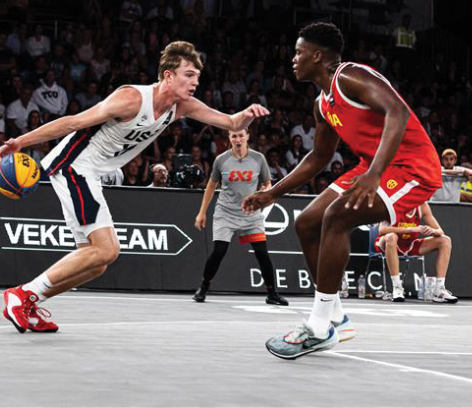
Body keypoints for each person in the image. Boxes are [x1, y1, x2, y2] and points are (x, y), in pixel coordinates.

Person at [0, 41, 269, 333]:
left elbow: (230, 121)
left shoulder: (181, 107)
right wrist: (20, 142)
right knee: (108, 250)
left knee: (96, 263)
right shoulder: (131, 99)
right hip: (73, 167)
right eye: (189, 75)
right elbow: (73, 122)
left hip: (90, 174)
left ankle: (29, 302)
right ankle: (21, 295)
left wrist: (248, 114)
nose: (195, 82)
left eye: (197, 77)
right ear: (168, 76)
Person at [242, 22, 442, 360]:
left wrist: (375, 173)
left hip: (411, 167)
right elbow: (319, 157)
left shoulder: (350, 76)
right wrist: (274, 192)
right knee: (307, 222)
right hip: (372, 167)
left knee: (336, 217)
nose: (293, 59)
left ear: (317, 56)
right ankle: (335, 317)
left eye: (299, 53)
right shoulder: (323, 103)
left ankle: (319, 327)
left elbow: (399, 112)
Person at [193, 128, 288, 306]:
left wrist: (263, 196)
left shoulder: (259, 158)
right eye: (234, 136)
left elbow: (268, 184)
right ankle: (203, 287)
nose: (238, 139)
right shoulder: (221, 160)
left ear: (247, 137)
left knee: (262, 253)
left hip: (250, 213)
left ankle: (272, 293)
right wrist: (202, 212)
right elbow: (211, 186)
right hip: (225, 213)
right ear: (229, 138)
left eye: (240, 135)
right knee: (219, 252)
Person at [375, 201, 458, 303]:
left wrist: (432, 230)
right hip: (388, 243)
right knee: (391, 237)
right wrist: (412, 229)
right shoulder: (393, 202)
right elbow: (382, 230)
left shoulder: (422, 205)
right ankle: (397, 288)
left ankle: (439, 290)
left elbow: (440, 231)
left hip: (410, 244)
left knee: (445, 240)